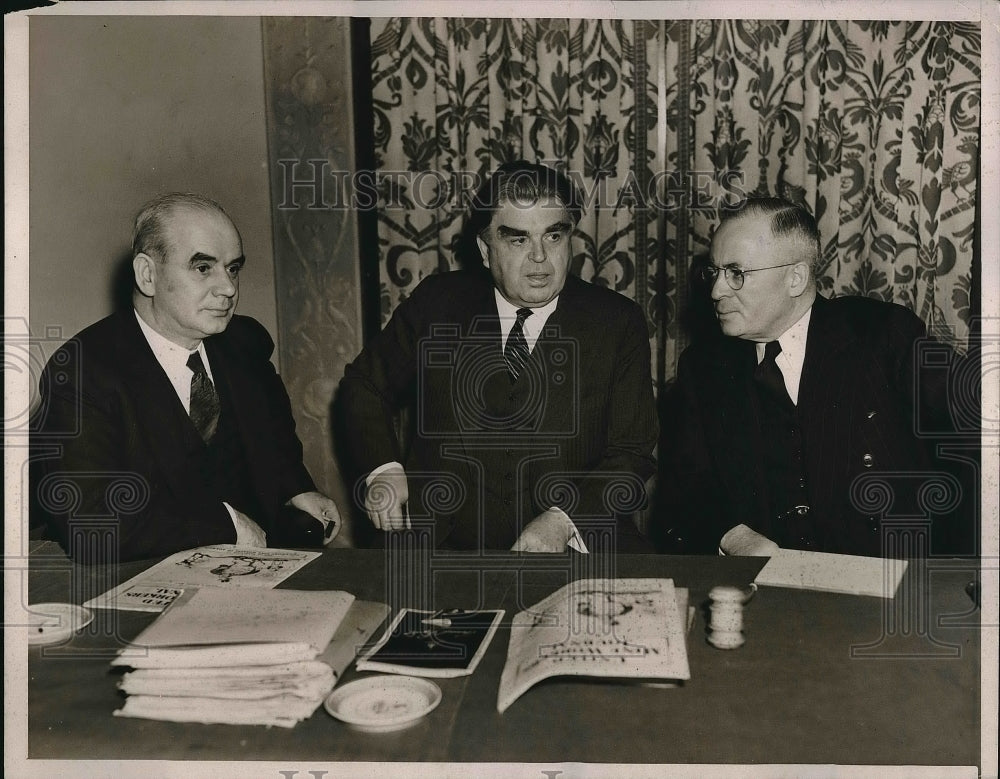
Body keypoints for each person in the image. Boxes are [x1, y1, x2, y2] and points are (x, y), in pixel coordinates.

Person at [338, 162, 657, 552]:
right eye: (518, 240)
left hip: (572, 551)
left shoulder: (617, 323)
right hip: (438, 548)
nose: (540, 258)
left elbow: (631, 453)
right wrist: (384, 470)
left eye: (553, 236)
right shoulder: (437, 304)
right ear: (486, 250)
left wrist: (564, 520)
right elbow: (365, 385)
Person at [655, 197, 974, 557]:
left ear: (795, 278)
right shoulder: (704, 368)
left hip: (890, 584)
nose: (716, 291)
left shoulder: (882, 336)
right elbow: (684, 489)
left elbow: (978, 433)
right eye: (714, 273)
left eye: (736, 273)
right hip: (768, 592)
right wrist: (732, 536)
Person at [32, 193, 341, 563]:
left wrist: (295, 488)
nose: (227, 288)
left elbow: (273, 443)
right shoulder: (82, 371)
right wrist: (227, 527)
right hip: (131, 572)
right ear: (148, 275)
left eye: (233, 268)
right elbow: (92, 522)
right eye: (203, 268)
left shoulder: (244, 344)